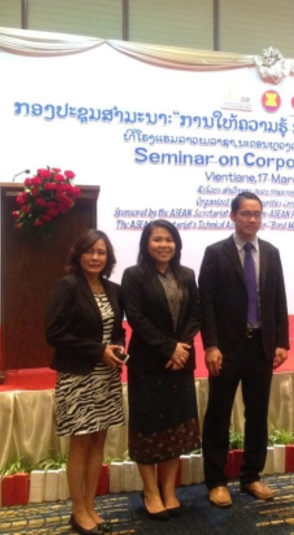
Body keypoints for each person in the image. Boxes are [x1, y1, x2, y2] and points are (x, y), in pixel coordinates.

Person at [198, 192, 290, 508]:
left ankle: (251, 476)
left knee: (257, 414)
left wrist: (281, 341)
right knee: (218, 414)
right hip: (226, 349)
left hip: (261, 346)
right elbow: (206, 302)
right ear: (233, 216)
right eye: (246, 213)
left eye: (257, 214)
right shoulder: (216, 252)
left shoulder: (271, 252)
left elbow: (278, 299)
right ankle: (216, 481)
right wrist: (211, 345)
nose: (252, 219)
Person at [45, 229, 126, 535]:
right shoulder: (66, 287)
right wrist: (98, 350)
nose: (95, 257)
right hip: (78, 376)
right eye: (90, 251)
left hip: (106, 376)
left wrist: (118, 347)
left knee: (98, 441)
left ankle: (91, 506)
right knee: (80, 443)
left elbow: (117, 329)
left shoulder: (113, 289)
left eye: (101, 252)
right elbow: (54, 333)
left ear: (108, 258)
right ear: (78, 255)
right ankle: (78, 511)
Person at [121, 219, 201, 522]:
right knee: (148, 428)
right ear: (146, 243)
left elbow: (196, 314)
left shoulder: (187, 275)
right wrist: (169, 348)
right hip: (148, 364)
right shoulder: (134, 276)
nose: (164, 245)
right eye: (157, 239)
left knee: (175, 428)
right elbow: (136, 317)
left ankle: (169, 490)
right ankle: (150, 492)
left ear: (176, 244)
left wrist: (181, 348)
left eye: (169, 239)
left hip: (181, 363)